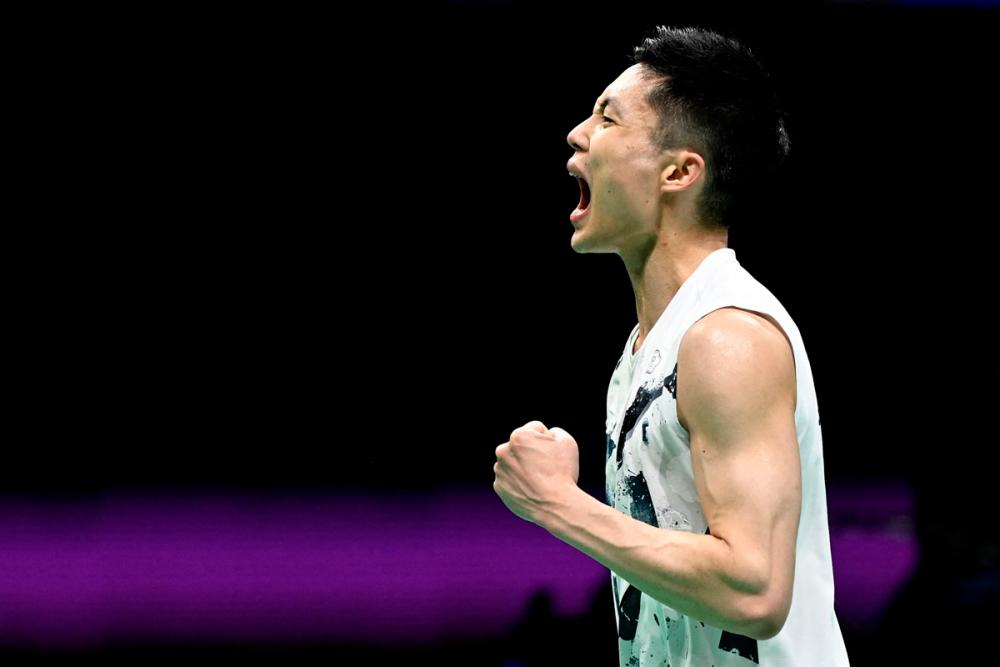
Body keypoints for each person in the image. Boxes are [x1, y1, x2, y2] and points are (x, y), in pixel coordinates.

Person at [493, 26, 850, 666]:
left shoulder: (726, 336)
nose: (577, 134)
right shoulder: (648, 346)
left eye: (607, 118)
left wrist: (559, 505)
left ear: (679, 171)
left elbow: (755, 594)